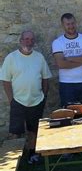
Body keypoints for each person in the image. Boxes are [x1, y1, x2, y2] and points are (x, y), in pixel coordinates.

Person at [1, 30, 52, 163]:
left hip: (36, 100)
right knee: (15, 132)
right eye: (26, 39)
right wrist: (11, 100)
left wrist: (44, 96)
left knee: (33, 130)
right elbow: (6, 81)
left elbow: (46, 78)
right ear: (21, 41)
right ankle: (13, 160)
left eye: (31, 40)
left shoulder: (39, 57)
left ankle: (32, 155)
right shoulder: (11, 58)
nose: (29, 42)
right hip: (17, 101)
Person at [52, 13, 82, 107]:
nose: (71, 26)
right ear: (63, 25)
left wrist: (70, 59)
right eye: (68, 24)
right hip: (66, 85)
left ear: (76, 23)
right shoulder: (58, 42)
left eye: (72, 23)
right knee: (69, 116)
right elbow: (61, 64)